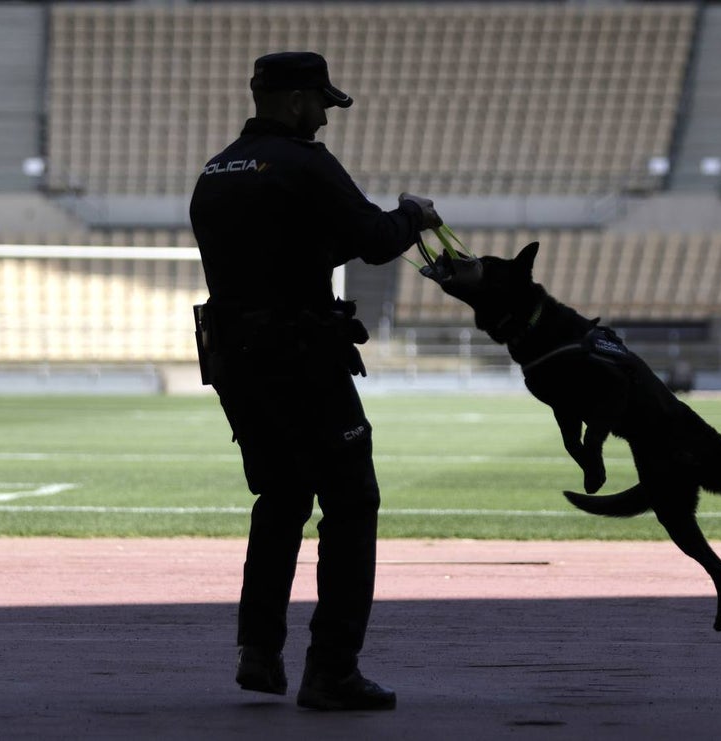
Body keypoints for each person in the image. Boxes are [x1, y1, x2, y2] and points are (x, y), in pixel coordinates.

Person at [189, 51, 442, 711]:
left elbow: (274, 252)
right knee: (352, 500)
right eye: (322, 104)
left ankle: (259, 650)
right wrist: (413, 214)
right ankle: (331, 668)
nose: (326, 117)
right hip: (301, 357)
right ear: (298, 100)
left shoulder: (216, 171)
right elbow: (376, 238)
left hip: (235, 360)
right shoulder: (304, 162)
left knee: (280, 498)